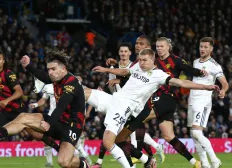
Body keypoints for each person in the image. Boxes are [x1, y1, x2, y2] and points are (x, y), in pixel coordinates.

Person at [87, 48, 219, 168]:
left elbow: (182, 82)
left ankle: (126, 163)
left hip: (129, 107)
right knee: (86, 94)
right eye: (140, 60)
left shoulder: (159, 75)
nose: (141, 63)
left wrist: (206, 87)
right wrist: (106, 69)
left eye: (145, 60)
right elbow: (125, 71)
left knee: (110, 140)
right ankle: (147, 160)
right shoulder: (137, 67)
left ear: (152, 60)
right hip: (115, 99)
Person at [0, 49, 90, 168]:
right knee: (23, 117)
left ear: (63, 68)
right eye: (48, 69)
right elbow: (42, 76)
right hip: (58, 122)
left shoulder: (71, 84)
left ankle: (84, 165)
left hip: (72, 126)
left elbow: (61, 106)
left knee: (63, 162)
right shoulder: (56, 78)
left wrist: (49, 123)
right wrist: (28, 65)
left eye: (53, 69)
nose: (50, 72)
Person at [93, 37, 164, 168]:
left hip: (134, 106)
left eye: (140, 44)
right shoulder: (122, 66)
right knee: (119, 137)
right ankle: (148, 157)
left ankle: (147, 156)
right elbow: (113, 85)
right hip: (117, 103)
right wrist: (111, 69)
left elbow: (136, 81)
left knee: (122, 137)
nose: (137, 46)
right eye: (121, 51)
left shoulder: (139, 66)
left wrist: (119, 79)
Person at [141, 37, 209, 168]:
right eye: (157, 46)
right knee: (168, 136)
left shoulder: (175, 60)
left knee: (136, 121)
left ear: (168, 47)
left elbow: (188, 69)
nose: (159, 49)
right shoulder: (152, 61)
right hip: (156, 98)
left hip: (167, 97)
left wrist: (200, 72)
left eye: (162, 46)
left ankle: (145, 158)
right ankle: (195, 163)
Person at [187, 37, 228, 168]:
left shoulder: (215, 66)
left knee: (196, 132)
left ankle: (214, 160)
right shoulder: (195, 62)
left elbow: (225, 83)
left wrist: (223, 91)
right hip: (192, 100)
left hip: (203, 101)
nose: (202, 49)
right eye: (201, 46)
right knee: (194, 134)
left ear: (211, 49)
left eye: (205, 47)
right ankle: (205, 164)